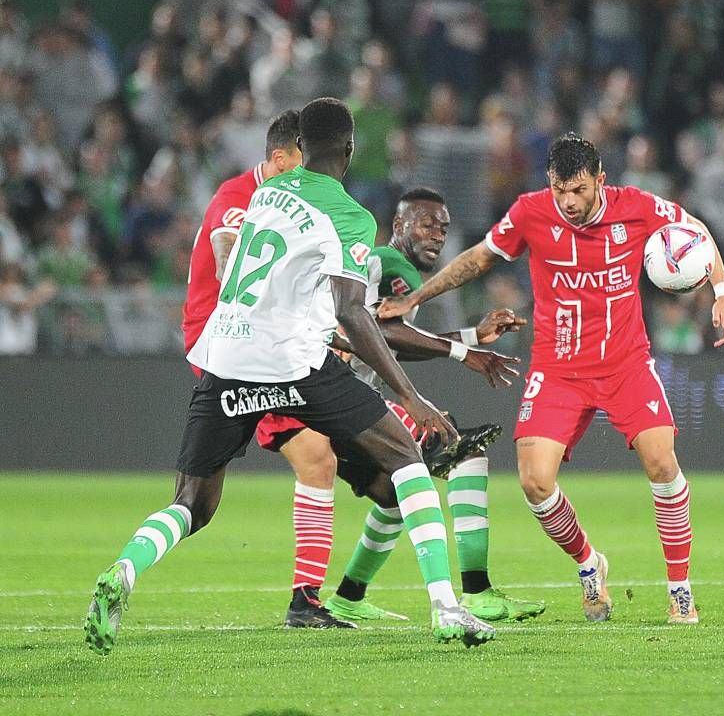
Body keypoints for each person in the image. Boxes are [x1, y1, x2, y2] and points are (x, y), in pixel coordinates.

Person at [84, 97, 496, 654]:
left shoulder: (266, 193)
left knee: (191, 505)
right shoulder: (350, 214)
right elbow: (352, 308)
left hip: (224, 357)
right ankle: (447, 608)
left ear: (300, 146)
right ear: (348, 150)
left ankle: (123, 573)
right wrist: (411, 395)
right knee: (405, 455)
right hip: (292, 364)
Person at [379, 132, 724, 625]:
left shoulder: (636, 207)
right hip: (558, 368)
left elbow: (693, 227)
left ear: (600, 182)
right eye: (559, 190)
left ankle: (680, 590)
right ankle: (590, 566)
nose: (568, 202)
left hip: (626, 364)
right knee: (534, 481)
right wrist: (414, 300)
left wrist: (723, 290)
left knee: (661, 462)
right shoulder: (531, 212)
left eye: (578, 191)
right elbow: (480, 258)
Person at [324, 187, 545, 623]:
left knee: (394, 494)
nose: (438, 235)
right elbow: (383, 333)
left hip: (336, 399)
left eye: (443, 228)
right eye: (427, 224)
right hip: (342, 398)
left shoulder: (381, 267)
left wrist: (471, 337)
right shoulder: (391, 265)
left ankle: (348, 596)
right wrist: (466, 354)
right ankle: (476, 591)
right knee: (463, 450)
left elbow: (389, 343)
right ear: (399, 226)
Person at [181, 109, 351, 629]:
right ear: (280, 158)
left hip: (260, 341)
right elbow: (227, 248)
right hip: (235, 344)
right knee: (318, 459)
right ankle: (306, 602)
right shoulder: (240, 198)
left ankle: (308, 599)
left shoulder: (276, 196)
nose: (308, 180)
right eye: (301, 166)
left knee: (201, 501)